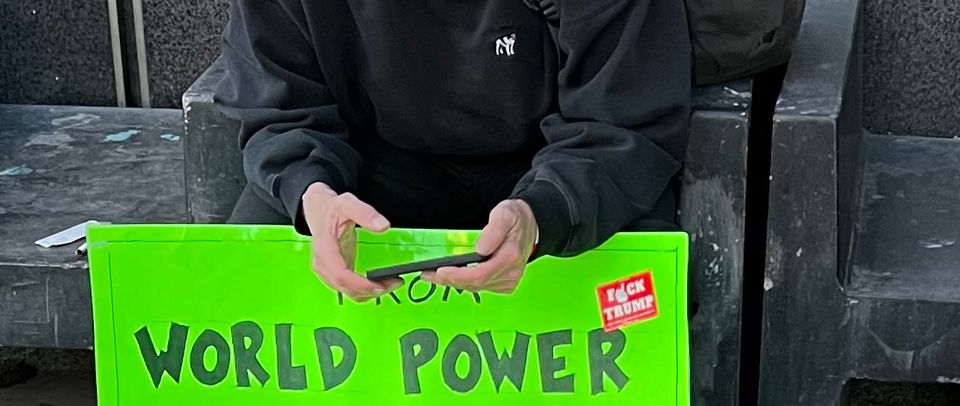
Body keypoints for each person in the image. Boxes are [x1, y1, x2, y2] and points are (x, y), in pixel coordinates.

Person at [216, 0, 691, 300]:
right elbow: (277, 102)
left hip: (557, 162)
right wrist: (311, 192)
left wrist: (544, 213)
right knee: (255, 275)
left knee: (640, 295)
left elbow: (622, 114)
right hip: (367, 163)